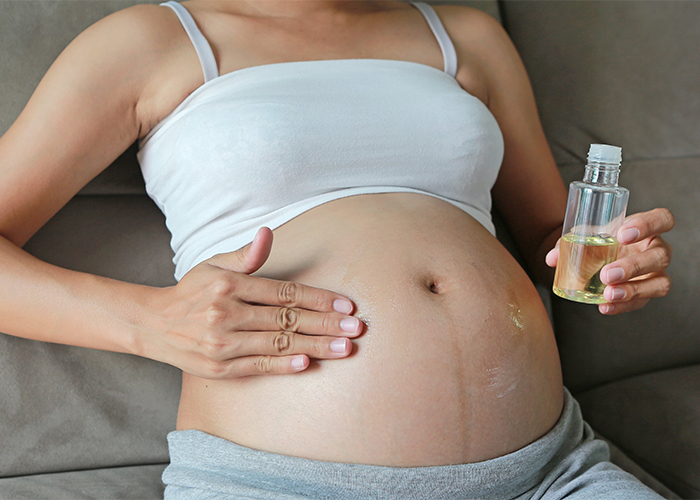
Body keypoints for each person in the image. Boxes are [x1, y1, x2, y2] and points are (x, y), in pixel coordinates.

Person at [0, 0, 675, 498]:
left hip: (551, 474)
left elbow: (549, 237)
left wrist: (615, 261)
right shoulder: (152, 40)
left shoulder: (467, 35)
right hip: (282, 483)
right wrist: (147, 321)